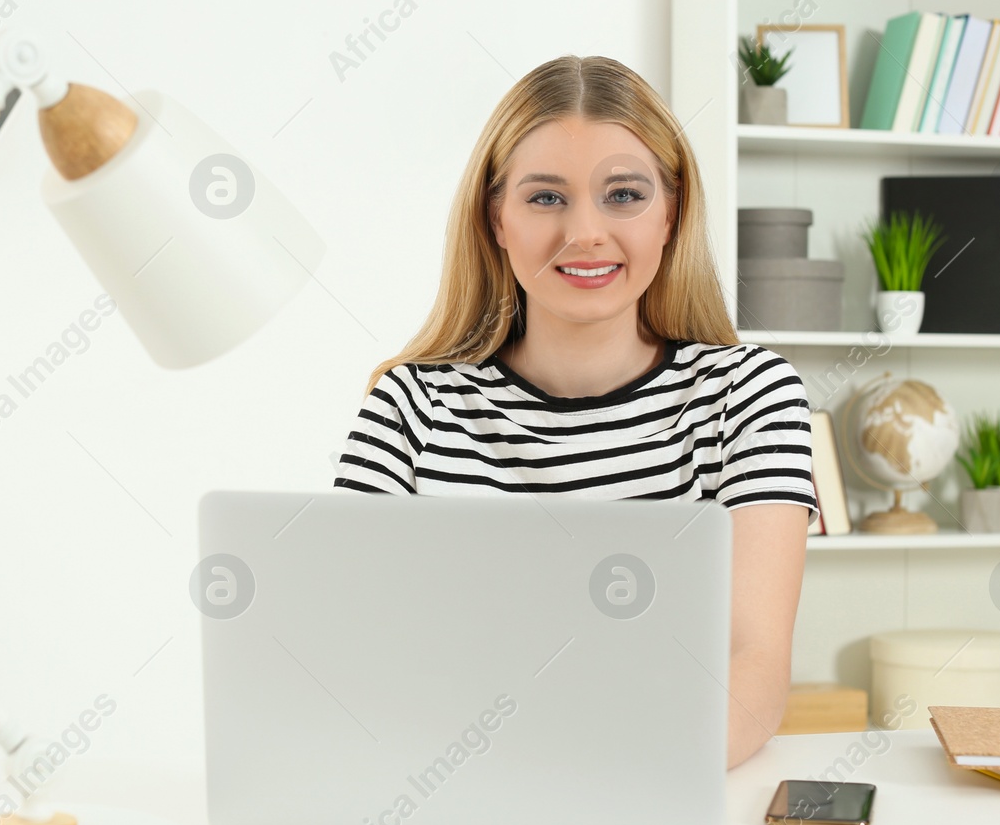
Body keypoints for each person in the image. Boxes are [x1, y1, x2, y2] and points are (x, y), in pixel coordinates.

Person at [331, 54, 817, 769]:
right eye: (546, 198)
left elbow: (756, 664)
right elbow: (348, 653)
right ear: (496, 218)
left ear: (670, 215)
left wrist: (616, 782)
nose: (586, 232)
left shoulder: (748, 395)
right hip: (451, 797)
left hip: (660, 790)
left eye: (624, 194)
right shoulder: (411, 405)